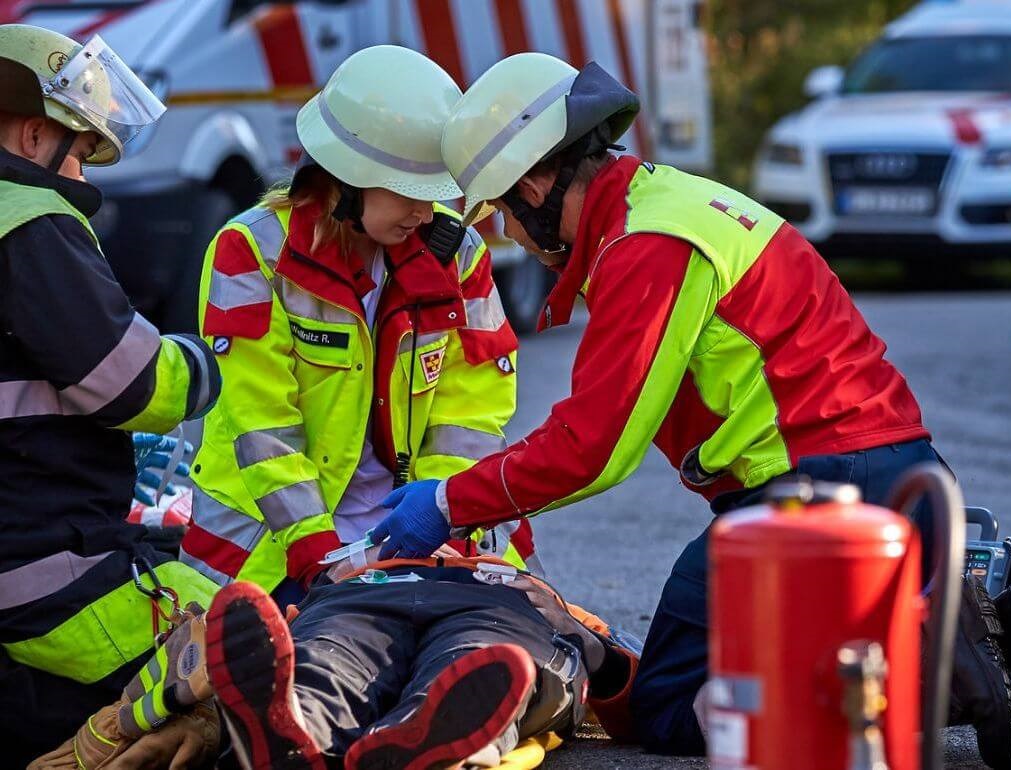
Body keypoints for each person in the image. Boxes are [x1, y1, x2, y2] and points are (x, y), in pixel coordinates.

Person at [368, 52, 1011, 763]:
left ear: (533, 186)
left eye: (502, 216)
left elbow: (594, 445)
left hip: (813, 501)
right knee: (694, 681)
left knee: (675, 704)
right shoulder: (667, 203)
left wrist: (450, 503)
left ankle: (937, 653)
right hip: (892, 478)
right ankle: (978, 614)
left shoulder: (647, 247)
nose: (511, 238)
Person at [180, 45, 537, 607]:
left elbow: (471, 409)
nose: (427, 212)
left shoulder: (456, 253)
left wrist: (445, 512)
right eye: (409, 192)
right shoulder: (253, 251)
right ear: (346, 178)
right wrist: (314, 549)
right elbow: (261, 418)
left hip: (415, 530)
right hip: (274, 544)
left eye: (437, 191)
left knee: (523, 639)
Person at [0, 23, 221, 764]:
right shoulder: (29, 223)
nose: (87, 181)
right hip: (42, 579)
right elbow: (135, 386)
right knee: (245, 649)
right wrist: (199, 360)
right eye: (84, 156)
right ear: (34, 134)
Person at [31, 551, 639, 770]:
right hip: (386, 595)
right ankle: (333, 730)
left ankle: (323, 728)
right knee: (333, 658)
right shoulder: (535, 587)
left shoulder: (536, 590)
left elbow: (622, 680)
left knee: (347, 660)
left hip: (391, 597)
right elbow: (630, 687)